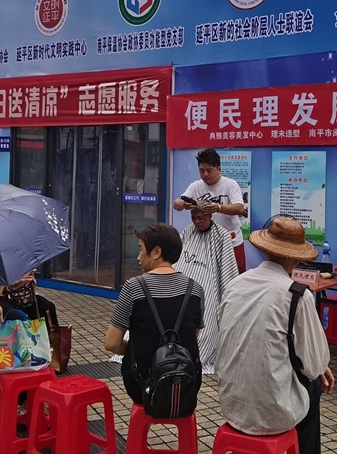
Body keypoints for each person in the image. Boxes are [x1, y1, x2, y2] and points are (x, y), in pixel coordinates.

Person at [215, 216, 334, 454]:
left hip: (231, 405)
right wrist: (319, 368)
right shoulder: (296, 295)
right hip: (274, 413)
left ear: (264, 250)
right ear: (297, 259)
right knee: (314, 386)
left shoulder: (235, 284)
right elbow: (314, 365)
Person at [104, 223, 205, 405]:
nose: (138, 257)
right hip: (186, 384)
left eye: (141, 249)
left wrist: (138, 349)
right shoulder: (196, 289)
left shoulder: (132, 288)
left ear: (156, 252)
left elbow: (111, 344)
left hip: (142, 385)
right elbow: (193, 335)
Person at [176, 208, 239, 373]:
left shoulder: (222, 235)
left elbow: (227, 269)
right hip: (184, 281)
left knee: (207, 311)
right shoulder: (188, 231)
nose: (197, 221)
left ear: (210, 215)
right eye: (193, 218)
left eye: (200, 218)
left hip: (208, 284)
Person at [173, 148, 247, 273]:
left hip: (232, 240)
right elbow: (177, 204)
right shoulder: (196, 186)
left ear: (219, 169)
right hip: (206, 242)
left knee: (237, 276)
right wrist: (182, 204)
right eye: (201, 171)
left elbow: (239, 207)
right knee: (207, 276)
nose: (205, 174)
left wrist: (219, 208)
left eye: (209, 170)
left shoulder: (230, 184)